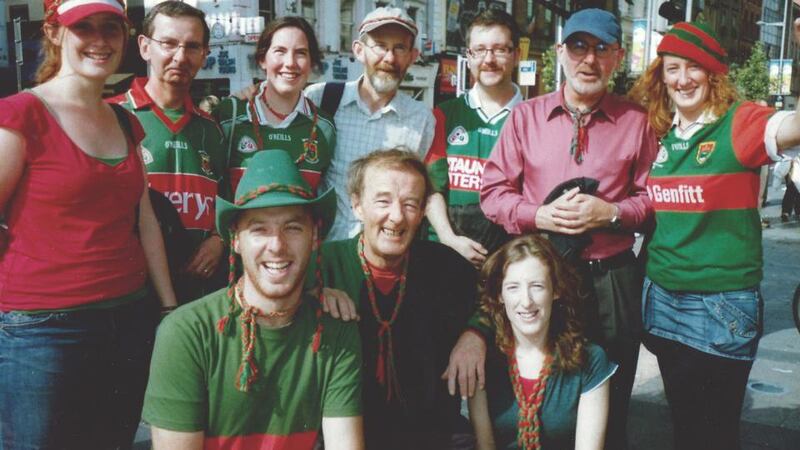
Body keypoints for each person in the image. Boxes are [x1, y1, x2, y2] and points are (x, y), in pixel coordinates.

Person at [469, 9, 658, 449]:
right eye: (578, 47)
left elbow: (652, 201)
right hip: (542, 279)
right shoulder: (525, 118)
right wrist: (538, 215)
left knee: (612, 397)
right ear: (560, 53)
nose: (588, 60)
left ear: (618, 57)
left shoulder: (637, 121)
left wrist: (610, 213)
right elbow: (493, 192)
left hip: (610, 278)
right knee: (538, 391)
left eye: (601, 49)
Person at [0, 1, 177, 448]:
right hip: (42, 330)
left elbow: (145, 220)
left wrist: (169, 308)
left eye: (110, 29)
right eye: (85, 28)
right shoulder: (21, 115)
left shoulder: (124, 121)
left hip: (127, 319)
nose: (99, 41)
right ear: (55, 33)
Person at [628, 20, 800, 450]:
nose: (682, 79)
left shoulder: (738, 123)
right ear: (660, 77)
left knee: (715, 434)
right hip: (662, 299)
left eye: (693, 67)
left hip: (719, 305)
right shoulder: (663, 134)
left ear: (712, 73)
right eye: (672, 68)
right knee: (685, 426)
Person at [142, 150, 363, 449]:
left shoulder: (335, 330)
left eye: (293, 227)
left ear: (314, 238)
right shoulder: (187, 332)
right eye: (259, 229)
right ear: (235, 240)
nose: (277, 245)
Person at [318, 149, 477, 448]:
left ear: (421, 213)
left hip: (431, 436)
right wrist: (314, 296)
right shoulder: (323, 266)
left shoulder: (445, 266)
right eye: (383, 201)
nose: (396, 216)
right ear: (356, 205)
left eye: (410, 204)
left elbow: (495, 300)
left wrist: (475, 334)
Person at [110, 0, 227, 303]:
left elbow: (227, 199)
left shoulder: (212, 129)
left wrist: (218, 239)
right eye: (169, 43)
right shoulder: (112, 116)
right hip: (131, 291)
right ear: (145, 47)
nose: (180, 56)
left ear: (205, 54)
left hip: (200, 290)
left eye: (192, 46)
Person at [469, 235, 616, 449]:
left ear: (555, 290)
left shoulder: (590, 360)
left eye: (537, 286)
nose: (526, 301)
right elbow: (486, 445)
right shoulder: (482, 360)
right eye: (513, 288)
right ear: (500, 295)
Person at [305, 6, 436, 241]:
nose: (389, 58)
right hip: (326, 255)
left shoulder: (422, 120)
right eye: (380, 46)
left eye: (399, 48)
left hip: (388, 260)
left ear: (412, 56)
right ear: (359, 50)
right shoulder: (321, 99)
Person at [424, 9, 521, 267]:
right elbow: (431, 189)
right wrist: (448, 238)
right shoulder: (442, 115)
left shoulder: (532, 120)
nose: (489, 59)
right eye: (479, 50)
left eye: (500, 49)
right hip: (446, 254)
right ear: (468, 56)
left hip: (508, 262)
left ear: (516, 55)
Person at [216, 16, 335, 194]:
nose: (290, 63)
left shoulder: (324, 126)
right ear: (262, 59)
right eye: (280, 51)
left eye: (301, 53)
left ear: (311, 62)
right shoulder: (229, 115)